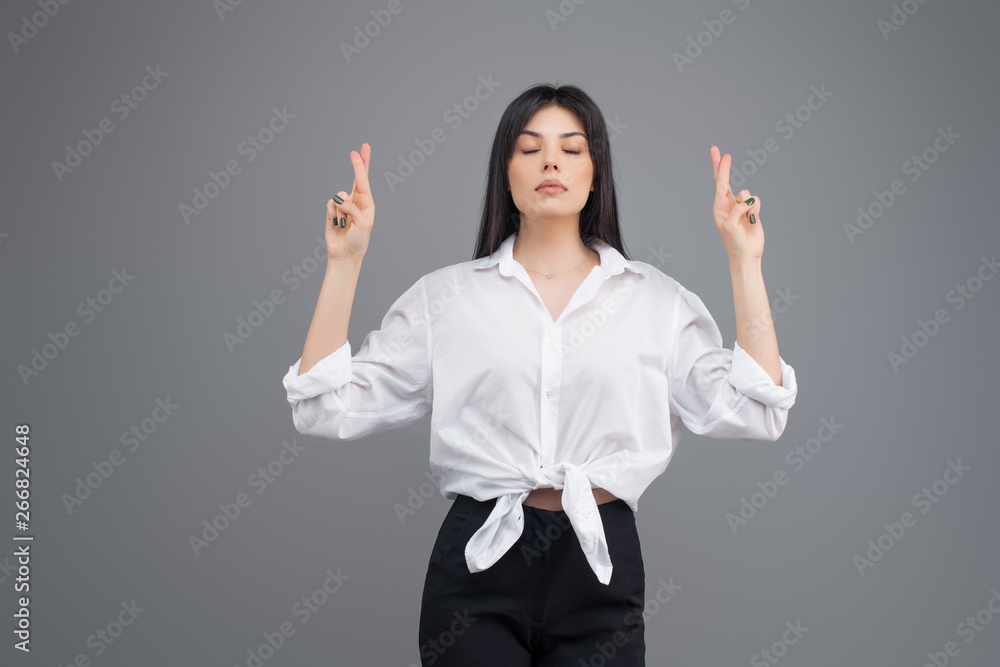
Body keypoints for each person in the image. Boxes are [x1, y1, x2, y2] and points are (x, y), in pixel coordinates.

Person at [282, 83, 798, 666]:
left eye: (571, 149)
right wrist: (344, 262)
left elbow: (757, 412)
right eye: (530, 149)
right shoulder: (446, 298)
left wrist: (745, 262)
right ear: (505, 173)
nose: (551, 162)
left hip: (600, 564)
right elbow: (323, 408)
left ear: (596, 174)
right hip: (477, 566)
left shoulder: (656, 302)